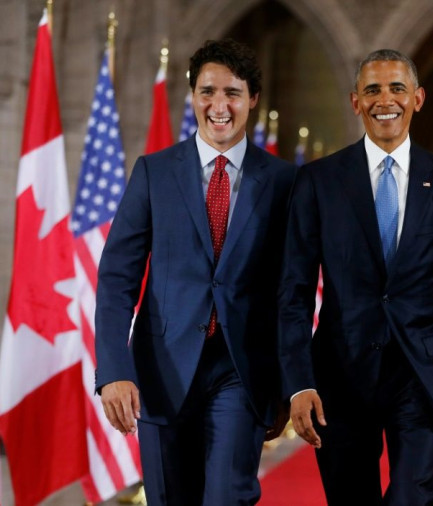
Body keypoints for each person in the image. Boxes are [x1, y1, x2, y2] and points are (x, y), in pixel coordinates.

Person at [278, 49, 433, 505]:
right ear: (355, 102)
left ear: (418, 98)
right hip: (340, 376)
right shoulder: (318, 181)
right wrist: (298, 382)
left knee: (413, 495)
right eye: (372, 89)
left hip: (423, 375)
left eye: (397, 88)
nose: (385, 99)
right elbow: (293, 293)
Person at [95, 39, 294, 505]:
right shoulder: (154, 173)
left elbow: (293, 290)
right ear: (191, 96)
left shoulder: (285, 182)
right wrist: (113, 370)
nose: (218, 105)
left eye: (232, 93)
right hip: (160, 374)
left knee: (227, 496)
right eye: (207, 91)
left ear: (253, 99)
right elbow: (117, 278)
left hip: (241, 373)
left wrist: (289, 382)